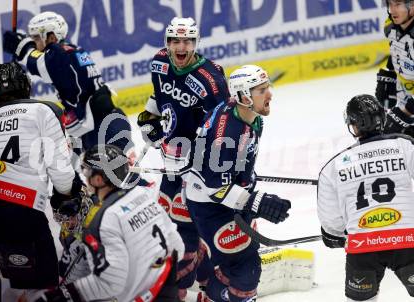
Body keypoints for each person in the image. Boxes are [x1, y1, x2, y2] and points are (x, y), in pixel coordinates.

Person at [136, 17, 229, 300]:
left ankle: (202, 283)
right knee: (167, 219)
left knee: (190, 224)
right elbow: (157, 97)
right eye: (175, 40)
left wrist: (213, 164)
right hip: (172, 158)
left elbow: (224, 124)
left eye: (187, 40)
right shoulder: (159, 63)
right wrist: (148, 121)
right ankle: (187, 278)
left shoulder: (210, 77)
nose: (181, 46)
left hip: (198, 166)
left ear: (196, 43)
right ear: (167, 43)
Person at [0, 62, 84, 300]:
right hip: (25, 217)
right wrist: (66, 196)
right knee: (46, 289)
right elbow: (62, 173)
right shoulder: (43, 110)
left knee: (21, 281)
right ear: (26, 85)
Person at [184, 65, 292, 302]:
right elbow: (215, 187)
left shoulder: (250, 116)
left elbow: (237, 164)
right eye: (262, 90)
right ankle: (216, 285)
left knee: (244, 258)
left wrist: (247, 185)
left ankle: (212, 288)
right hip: (209, 205)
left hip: (226, 194)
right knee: (247, 267)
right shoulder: (225, 136)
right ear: (244, 96)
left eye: (267, 88)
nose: (270, 94)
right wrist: (255, 202)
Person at [34, 144, 185, 302]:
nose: (85, 178)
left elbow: (111, 283)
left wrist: (61, 295)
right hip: (168, 288)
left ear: (98, 179)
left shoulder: (102, 219)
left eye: (87, 172)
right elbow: (178, 248)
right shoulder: (144, 196)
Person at [317, 94, 414, 301]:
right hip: (407, 240)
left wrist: (334, 236)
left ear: (353, 126)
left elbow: (332, 225)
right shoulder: (405, 146)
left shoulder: (332, 167)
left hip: (364, 246)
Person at [2, 11, 134, 156]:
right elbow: (44, 64)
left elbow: (38, 64)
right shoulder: (72, 50)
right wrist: (25, 48)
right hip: (103, 124)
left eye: (36, 38)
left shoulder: (59, 53)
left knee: (116, 177)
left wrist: (23, 47)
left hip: (104, 129)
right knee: (93, 173)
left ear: (51, 37)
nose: (35, 44)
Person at [376, 0, 414, 135]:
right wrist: (390, 74)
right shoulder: (390, 26)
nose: (392, 10)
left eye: (397, 5)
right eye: (390, 4)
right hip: (405, 92)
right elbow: (397, 48)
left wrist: (404, 113)